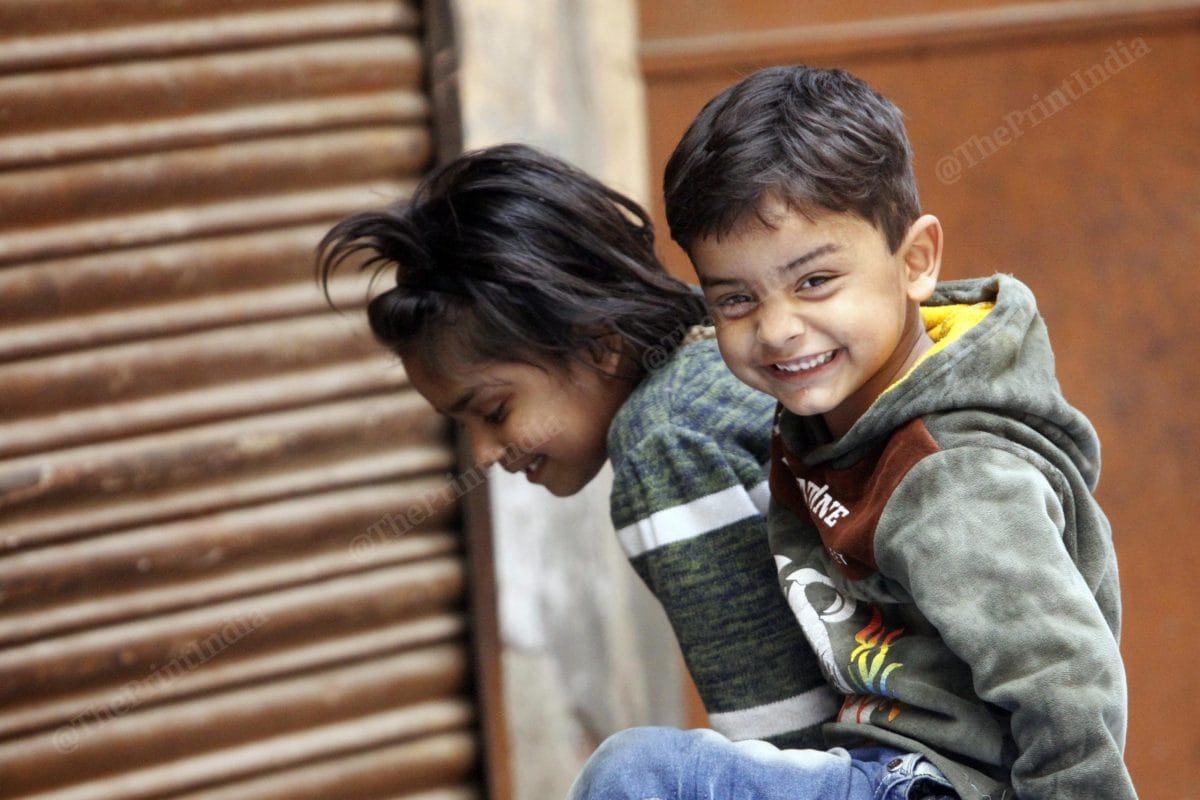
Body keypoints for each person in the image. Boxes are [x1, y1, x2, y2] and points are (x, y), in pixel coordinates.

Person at [565, 66, 1136, 799]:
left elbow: (1065, 682)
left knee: (637, 774)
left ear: (916, 262)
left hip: (937, 784)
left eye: (814, 282)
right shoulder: (835, 418)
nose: (776, 329)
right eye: (737, 299)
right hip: (877, 761)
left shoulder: (948, 472)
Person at [316, 143, 840, 750]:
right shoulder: (721, 360)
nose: (484, 454)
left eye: (494, 410)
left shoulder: (661, 444)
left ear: (599, 342)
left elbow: (785, 739)